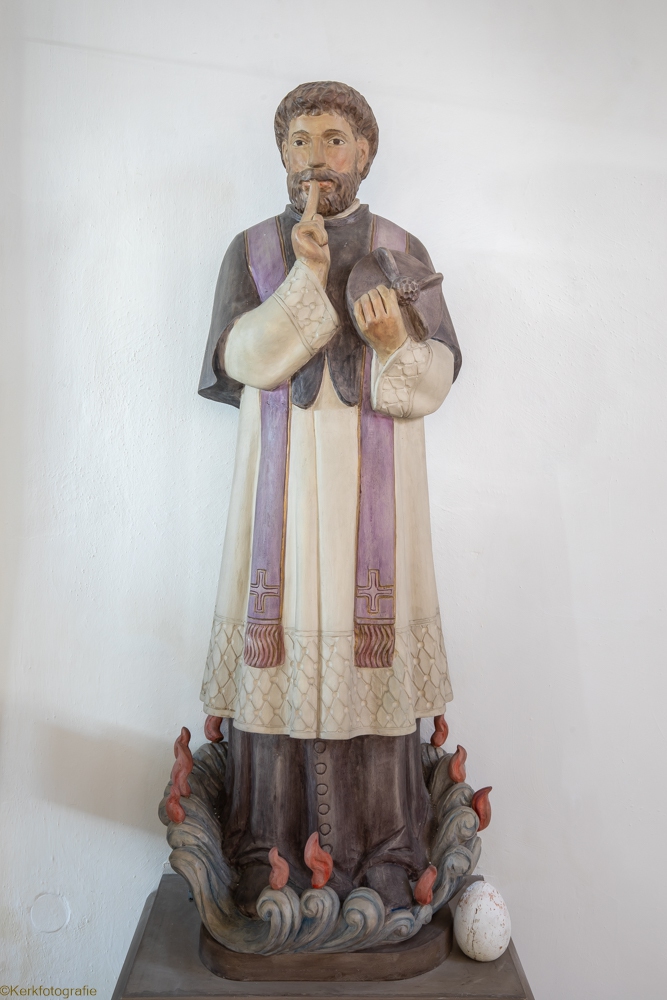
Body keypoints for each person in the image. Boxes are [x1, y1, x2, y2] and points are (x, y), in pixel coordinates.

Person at [198, 81, 461, 915]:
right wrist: (304, 280)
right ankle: (266, 853)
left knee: (371, 651)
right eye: (300, 140)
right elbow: (240, 360)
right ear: (281, 154)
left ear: (364, 153)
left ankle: (386, 854)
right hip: (279, 492)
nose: (316, 155)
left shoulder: (400, 249)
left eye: (334, 139)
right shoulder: (252, 251)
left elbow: (435, 376)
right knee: (278, 650)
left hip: (375, 496)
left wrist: (391, 340)